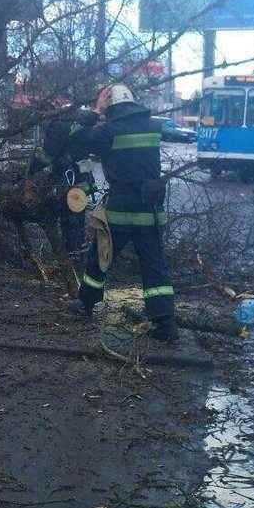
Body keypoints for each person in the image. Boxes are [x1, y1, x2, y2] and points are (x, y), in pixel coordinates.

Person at [66, 83, 179, 343]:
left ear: (112, 107)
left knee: (100, 256)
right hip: (150, 211)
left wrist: (92, 115)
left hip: (121, 210)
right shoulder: (152, 126)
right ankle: (165, 324)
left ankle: (85, 304)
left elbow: (78, 141)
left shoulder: (108, 130)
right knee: (154, 267)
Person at [28, 106, 98, 257]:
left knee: (68, 215)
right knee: (76, 215)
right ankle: (76, 251)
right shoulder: (81, 124)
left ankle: (71, 254)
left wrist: (30, 171)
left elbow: (47, 155)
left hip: (69, 178)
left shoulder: (59, 125)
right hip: (83, 177)